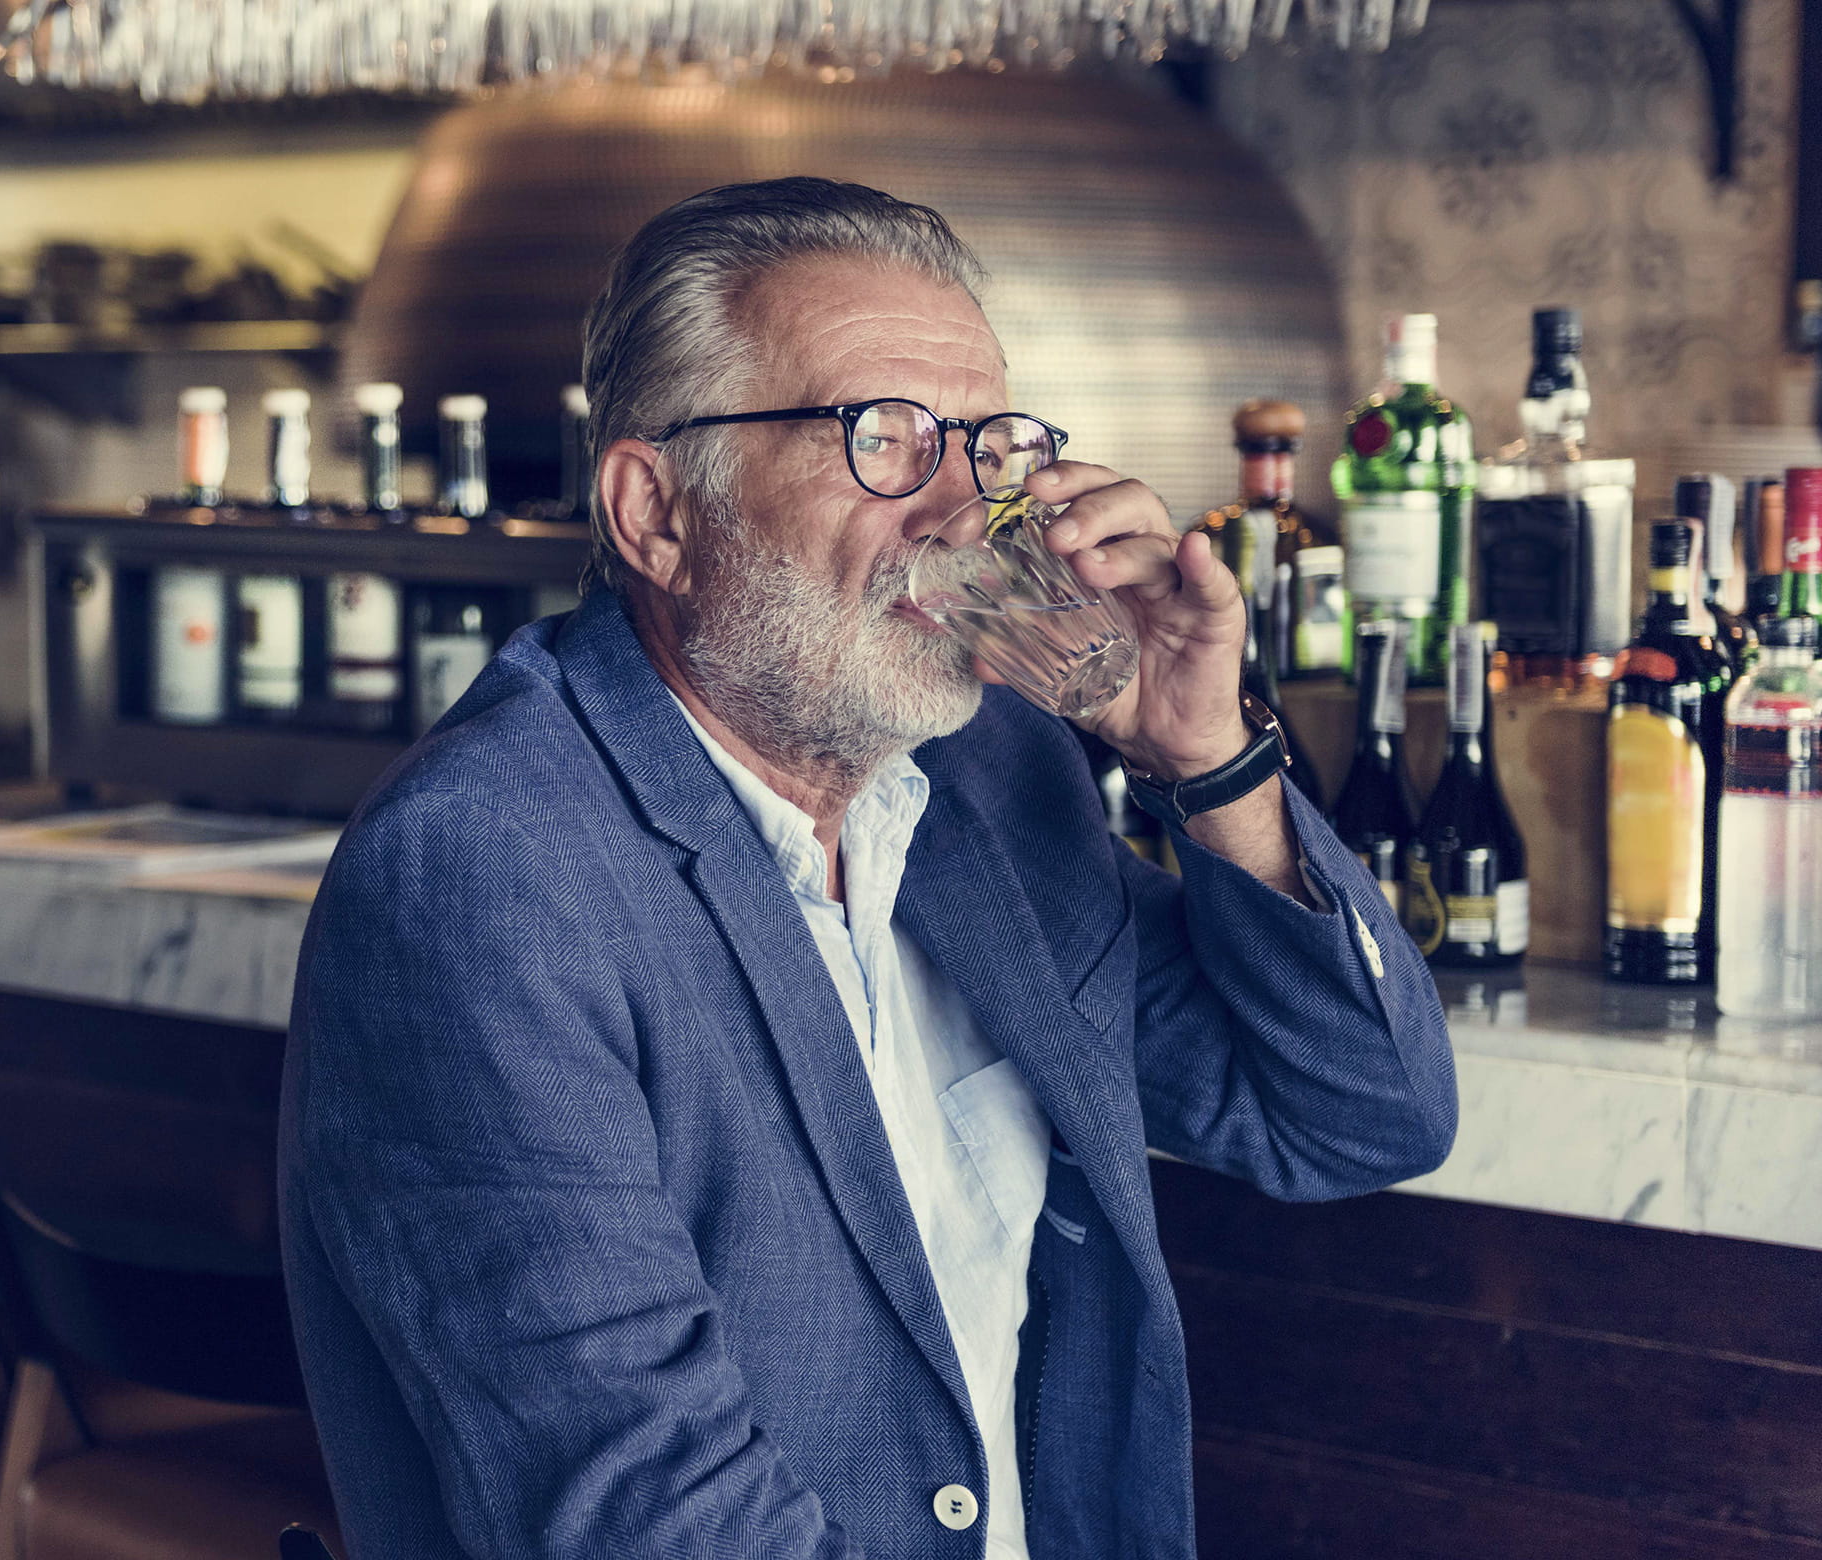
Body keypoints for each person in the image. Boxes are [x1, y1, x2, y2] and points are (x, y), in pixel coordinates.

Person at [279, 177, 1453, 1559]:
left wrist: (1206, 757)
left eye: (989, 448)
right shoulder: (485, 878)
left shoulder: (987, 778)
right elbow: (651, 1525)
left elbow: (1357, 1116)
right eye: (881, 437)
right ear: (657, 512)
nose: (967, 512)